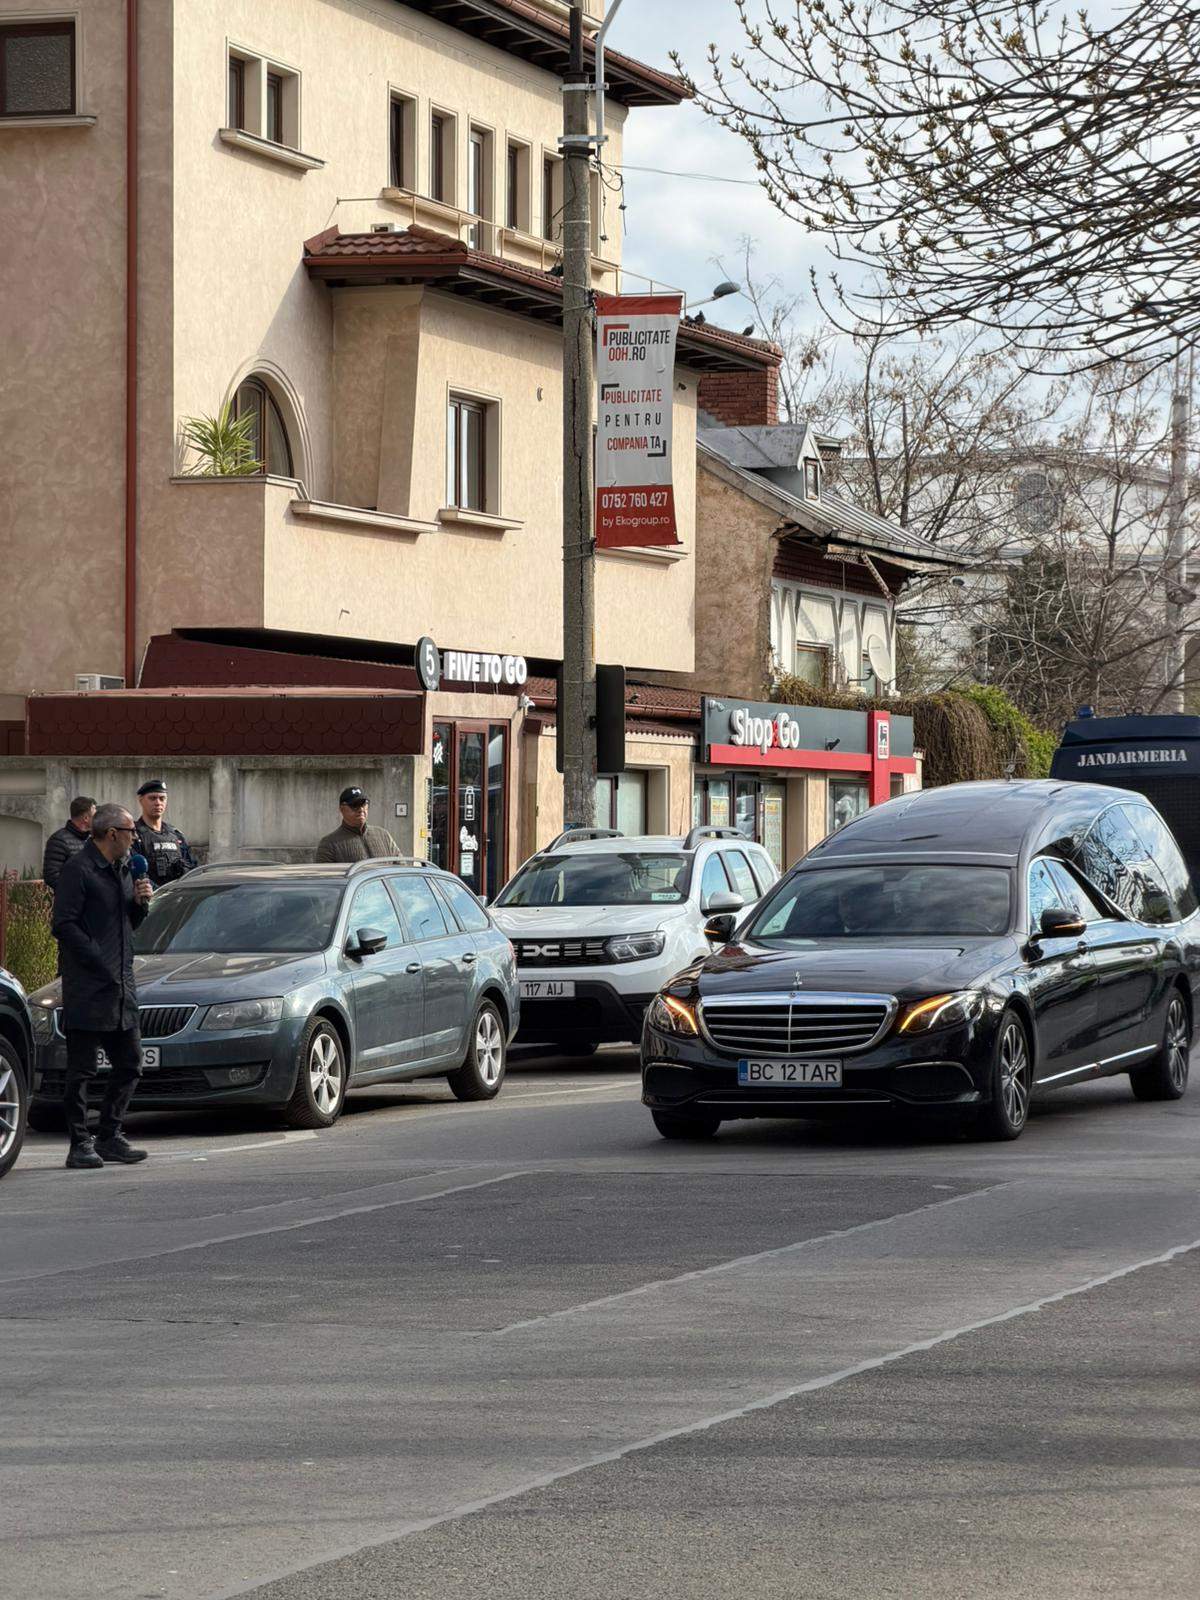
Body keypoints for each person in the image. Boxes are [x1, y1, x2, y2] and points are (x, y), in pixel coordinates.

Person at [51, 803, 153, 1170]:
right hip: (89, 986)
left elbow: (127, 925)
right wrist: (97, 959)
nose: (134, 838)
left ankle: (110, 1135)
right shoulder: (79, 869)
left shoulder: (125, 868)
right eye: (130, 832)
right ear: (112, 834)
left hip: (122, 986)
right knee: (82, 1071)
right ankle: (80, 1143)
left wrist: (141, 904)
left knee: (130, 1063)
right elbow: (63, 924)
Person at [133, 778, 197, 889]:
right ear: (141, 800)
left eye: (162, 798)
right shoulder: (134, 834)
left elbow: (192, 869)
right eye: (152, 798)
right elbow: (133, 874)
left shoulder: (176, 835)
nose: (158, 803)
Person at [315, 787, 400, 863]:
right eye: (355, 805)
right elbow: (327, 879)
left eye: (364, 804)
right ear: (342, 809)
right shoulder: (329, 844)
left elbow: (400, 867)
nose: (361, 809)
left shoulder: (384, 835)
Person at [41, 796, 96, 890]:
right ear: (86, 818)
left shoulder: (92, 839)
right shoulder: (58, 840)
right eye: (95, 815)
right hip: (71, 902)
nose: (97, 819)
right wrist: (79, 891)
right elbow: (52, 876)